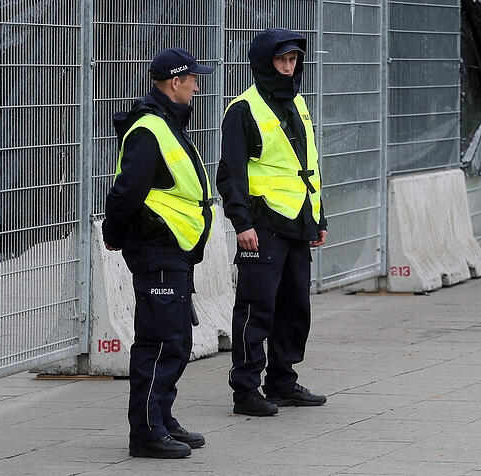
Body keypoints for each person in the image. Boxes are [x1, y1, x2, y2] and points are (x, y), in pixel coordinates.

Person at [103, 48, 214, 458]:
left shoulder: (168, 123)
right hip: (157, 248)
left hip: (173, 250)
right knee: (161, 342)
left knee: (176, 340)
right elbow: (126, 191)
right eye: (192, 80)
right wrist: (115, 233)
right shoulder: (150, 129)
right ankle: (147, 432)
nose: (197, 87)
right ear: (174, 83)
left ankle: (161, 419)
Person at [217, 28, 328, 416]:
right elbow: (231, 173)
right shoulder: (243, 110)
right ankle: (246, 390)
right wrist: (241, 223)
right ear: (265, 63)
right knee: (255, 307)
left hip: (298, 219)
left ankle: (283, 381)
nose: (287, 67)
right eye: (280, 60)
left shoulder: (298, 104)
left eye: (293, 60)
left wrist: (319, 216)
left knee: (295, 307)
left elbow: (306, 165)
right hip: (261, 225)